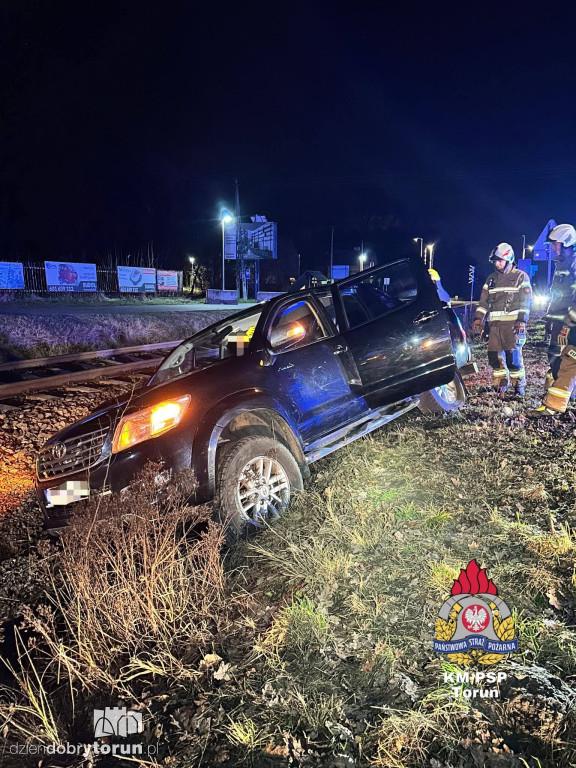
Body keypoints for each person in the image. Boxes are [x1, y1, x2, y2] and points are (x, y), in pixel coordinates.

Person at [528, 224, 576, 417]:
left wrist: (569, 323)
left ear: (566, 243)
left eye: (555, 244)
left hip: (570, 325)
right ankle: (566, 398)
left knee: (568, 361)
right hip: (559, 323)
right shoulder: (561, 265)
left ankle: (555, 405)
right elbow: (558, 296)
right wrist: (550, 318)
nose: (553, 248)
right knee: (556, 358)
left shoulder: (573, 265)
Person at [473, 243, 532, 396]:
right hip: (494, 326)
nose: (497, 264)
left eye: (500, 260)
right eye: (495, 261)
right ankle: (500, 385)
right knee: (494, 357)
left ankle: (519, 387)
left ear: (509, 259)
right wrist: (478, 319)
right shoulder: (491, 279)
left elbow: (525, 301)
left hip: (512, 326)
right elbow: (483, 302)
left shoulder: (520, 276)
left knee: (513, 358)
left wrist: (522, 320)